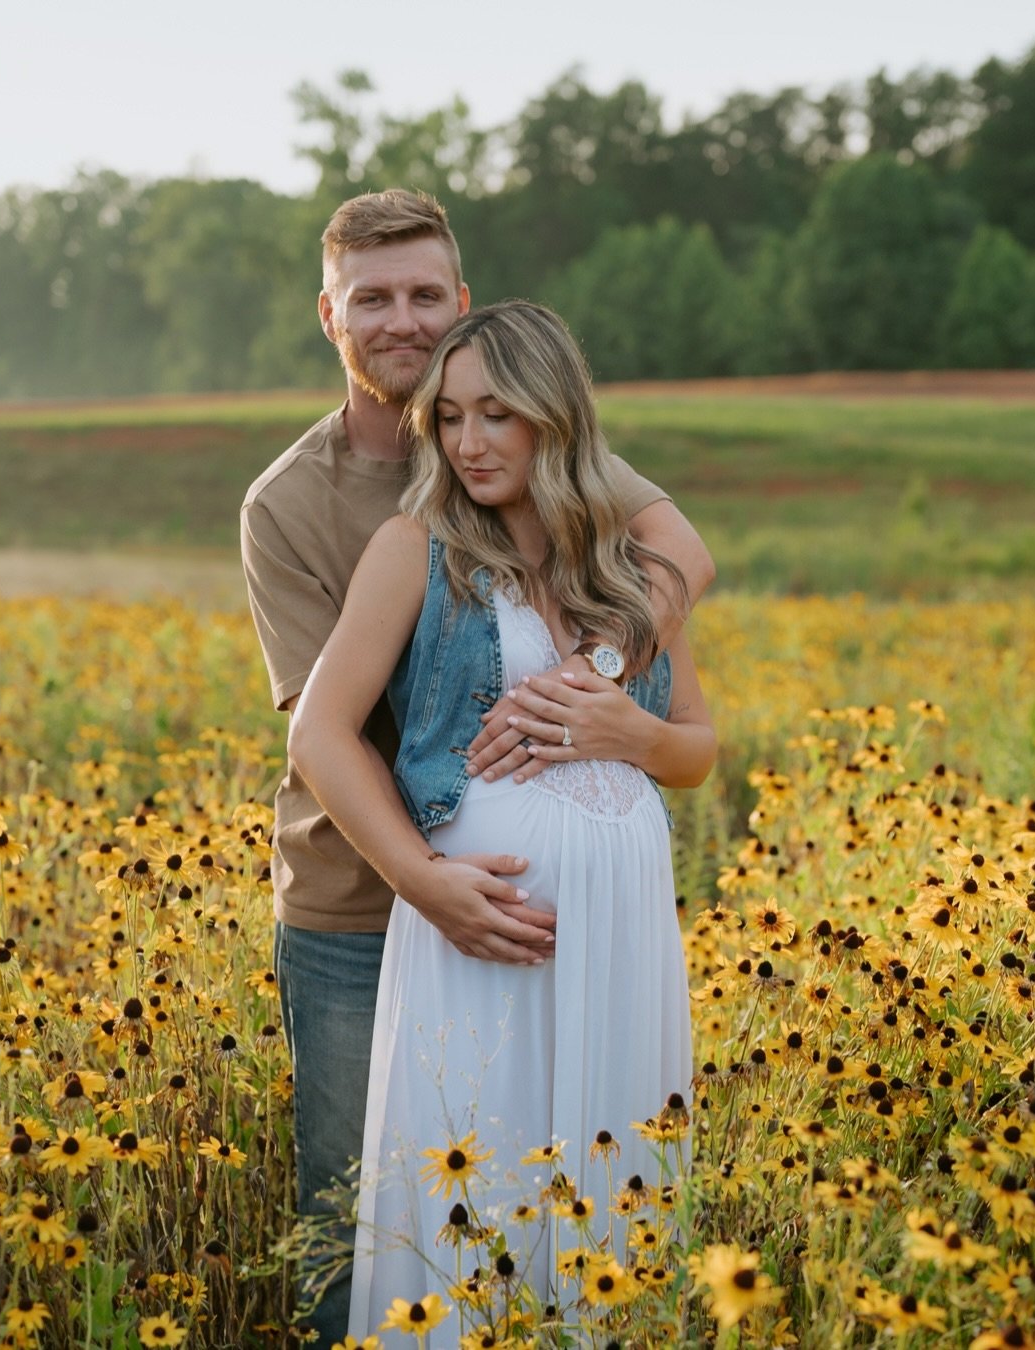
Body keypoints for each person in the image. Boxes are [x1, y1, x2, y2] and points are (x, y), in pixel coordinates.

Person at [240, 190, 715, 1343]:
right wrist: (424, 879)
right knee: (377, 1226)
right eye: (371, 298)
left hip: (603, 935)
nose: (472, 436)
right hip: (378, 901)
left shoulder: (596, 520)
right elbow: (328, 728)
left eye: (422, 295)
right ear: (331, 315)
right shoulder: (316, 509)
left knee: (601, 1216)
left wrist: (611, 698)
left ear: (460, 304)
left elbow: (685, 579)